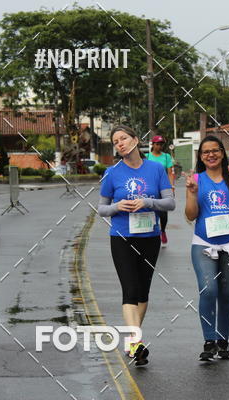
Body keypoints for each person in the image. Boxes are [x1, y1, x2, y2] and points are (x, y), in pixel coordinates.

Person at [98, 125, 175, 366]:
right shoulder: (112, 173)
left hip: (150, 236)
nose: (120, 143)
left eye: (123, 138)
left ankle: (132, 343)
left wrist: (148, 202)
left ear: (135, 139)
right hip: (122, 237)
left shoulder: (156, 169)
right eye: (115, 141)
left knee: (143, 292)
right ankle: (136, 342)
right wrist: (117, 207)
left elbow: (170, 203)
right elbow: (101, 208)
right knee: (130, 289)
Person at [184, 136, 229, 362]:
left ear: (222, 153)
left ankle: (223, 341)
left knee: (227, 293)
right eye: (206, 152)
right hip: (204, 243)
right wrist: (192, 193)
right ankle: (209, 340)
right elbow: (190, 215)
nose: (211, 155)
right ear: (200, 156)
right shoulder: (195, 179)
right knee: (208, 289)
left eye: (215, 150)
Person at [146, 135, 175, 247]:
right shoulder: (147, 157)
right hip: (150, 187)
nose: (159, 146)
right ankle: (152, 231)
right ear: (153, 144)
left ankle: (162, 231)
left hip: (163, 188)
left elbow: (170, 173)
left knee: (163, 212)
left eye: (161, 144)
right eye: (157, 144)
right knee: (150, 209)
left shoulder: (166, 157)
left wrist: (172, 187)